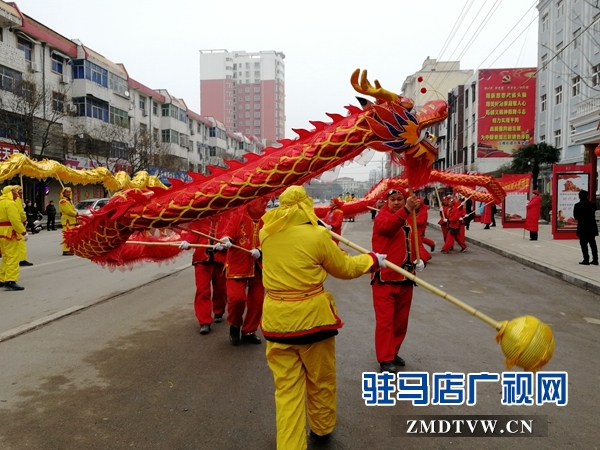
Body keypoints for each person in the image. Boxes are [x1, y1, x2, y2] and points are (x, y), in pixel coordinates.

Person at [259, 185, 385, 450]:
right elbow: (346, 268)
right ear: (306, 205)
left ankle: (290, 445)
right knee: (320, 379)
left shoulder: (266, 235)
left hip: (276, 323)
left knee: (286, 390)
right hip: (312, 322)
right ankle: (322, 427)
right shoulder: (317, 236)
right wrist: (371, 260)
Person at [372, 188, 424, 373]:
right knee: (385, 321)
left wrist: (421, 259)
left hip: (406, 278)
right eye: (392, 199)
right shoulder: (382, 217)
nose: (396, 202)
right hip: (385, 279)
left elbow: (417, 240)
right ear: (387, 201)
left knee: (401, 321)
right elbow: (388, 227)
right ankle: (385, 359)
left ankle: (393, 352)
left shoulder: (409, 220)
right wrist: (407, 209)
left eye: (400, 199)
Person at [219, 197, 269, 345]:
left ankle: (249, 331)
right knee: (236, 299)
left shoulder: (268, 219)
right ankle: (235, 325)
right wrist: (226, 240)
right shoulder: (238, 215)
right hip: (237, 266)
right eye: (262, 200)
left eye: (267, 200)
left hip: (259, 267)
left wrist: (260, 250)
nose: (265, 203)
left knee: (257, 302)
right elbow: (227, 233)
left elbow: (271, 240)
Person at [179, 213, 230, 335]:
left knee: (220, 289)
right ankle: (204, 321)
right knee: (202, 290)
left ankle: (219, 311)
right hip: (201, 259)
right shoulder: (200, 216)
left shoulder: (228, 215)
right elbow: (193, 233)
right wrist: (187, 241)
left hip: (220, 259)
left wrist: (226, 241)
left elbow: (230, 232)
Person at [0, 186, 28, 291]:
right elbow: (15, 220)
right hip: (9, 232)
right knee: (13, 257)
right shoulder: (10, 203)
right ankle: (10, 280)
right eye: (15, 191)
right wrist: (23, 232)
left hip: (1, 232)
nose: (17, 193)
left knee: (6, 256)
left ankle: (2, 278)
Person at [573, 190, 598, 265]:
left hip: (582, 226)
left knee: (583, 244)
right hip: (592, 226)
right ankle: (595, 259)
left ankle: (586, 259)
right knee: (593, 243)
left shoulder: (577, 205)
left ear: (579, 196)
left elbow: (576, 216)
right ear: (587, 196)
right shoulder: (592, 204)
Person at [15, 187, 33, 267]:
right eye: (19, 191)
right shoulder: (16, 200)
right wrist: (24, 219)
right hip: (17, 223)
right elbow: (20, 212)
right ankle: (21, 259)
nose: (21, 193)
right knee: (21, 241)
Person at [59, 188, 78, 256]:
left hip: (71, 221)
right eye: (67, 192)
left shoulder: (69, 201)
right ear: (63, 193)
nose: (68, 193)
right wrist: (76, 213)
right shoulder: (63, 201)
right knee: (67, 236)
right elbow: (68, 211)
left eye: (69, 192)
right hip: (67, 221)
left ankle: (70, 248)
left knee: (71, 236)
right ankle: (66, 250)